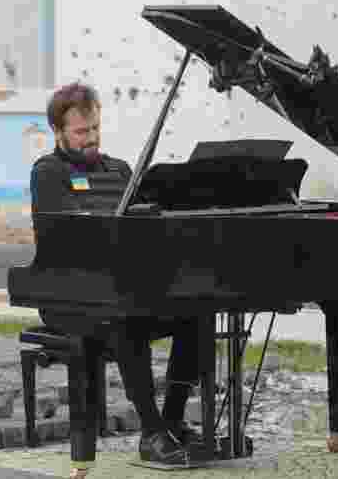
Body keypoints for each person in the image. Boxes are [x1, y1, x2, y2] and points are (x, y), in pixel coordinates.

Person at [30, 83, 208, 464]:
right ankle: (151, 431)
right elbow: (66, 239)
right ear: (58, 132)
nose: (91, 138)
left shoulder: (121, 170)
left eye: (95, 128)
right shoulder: (48, 173)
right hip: (66, 296)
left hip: (122, 289)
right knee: (124, 317)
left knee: (197, 313)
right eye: (81, 132)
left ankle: (173, 421)